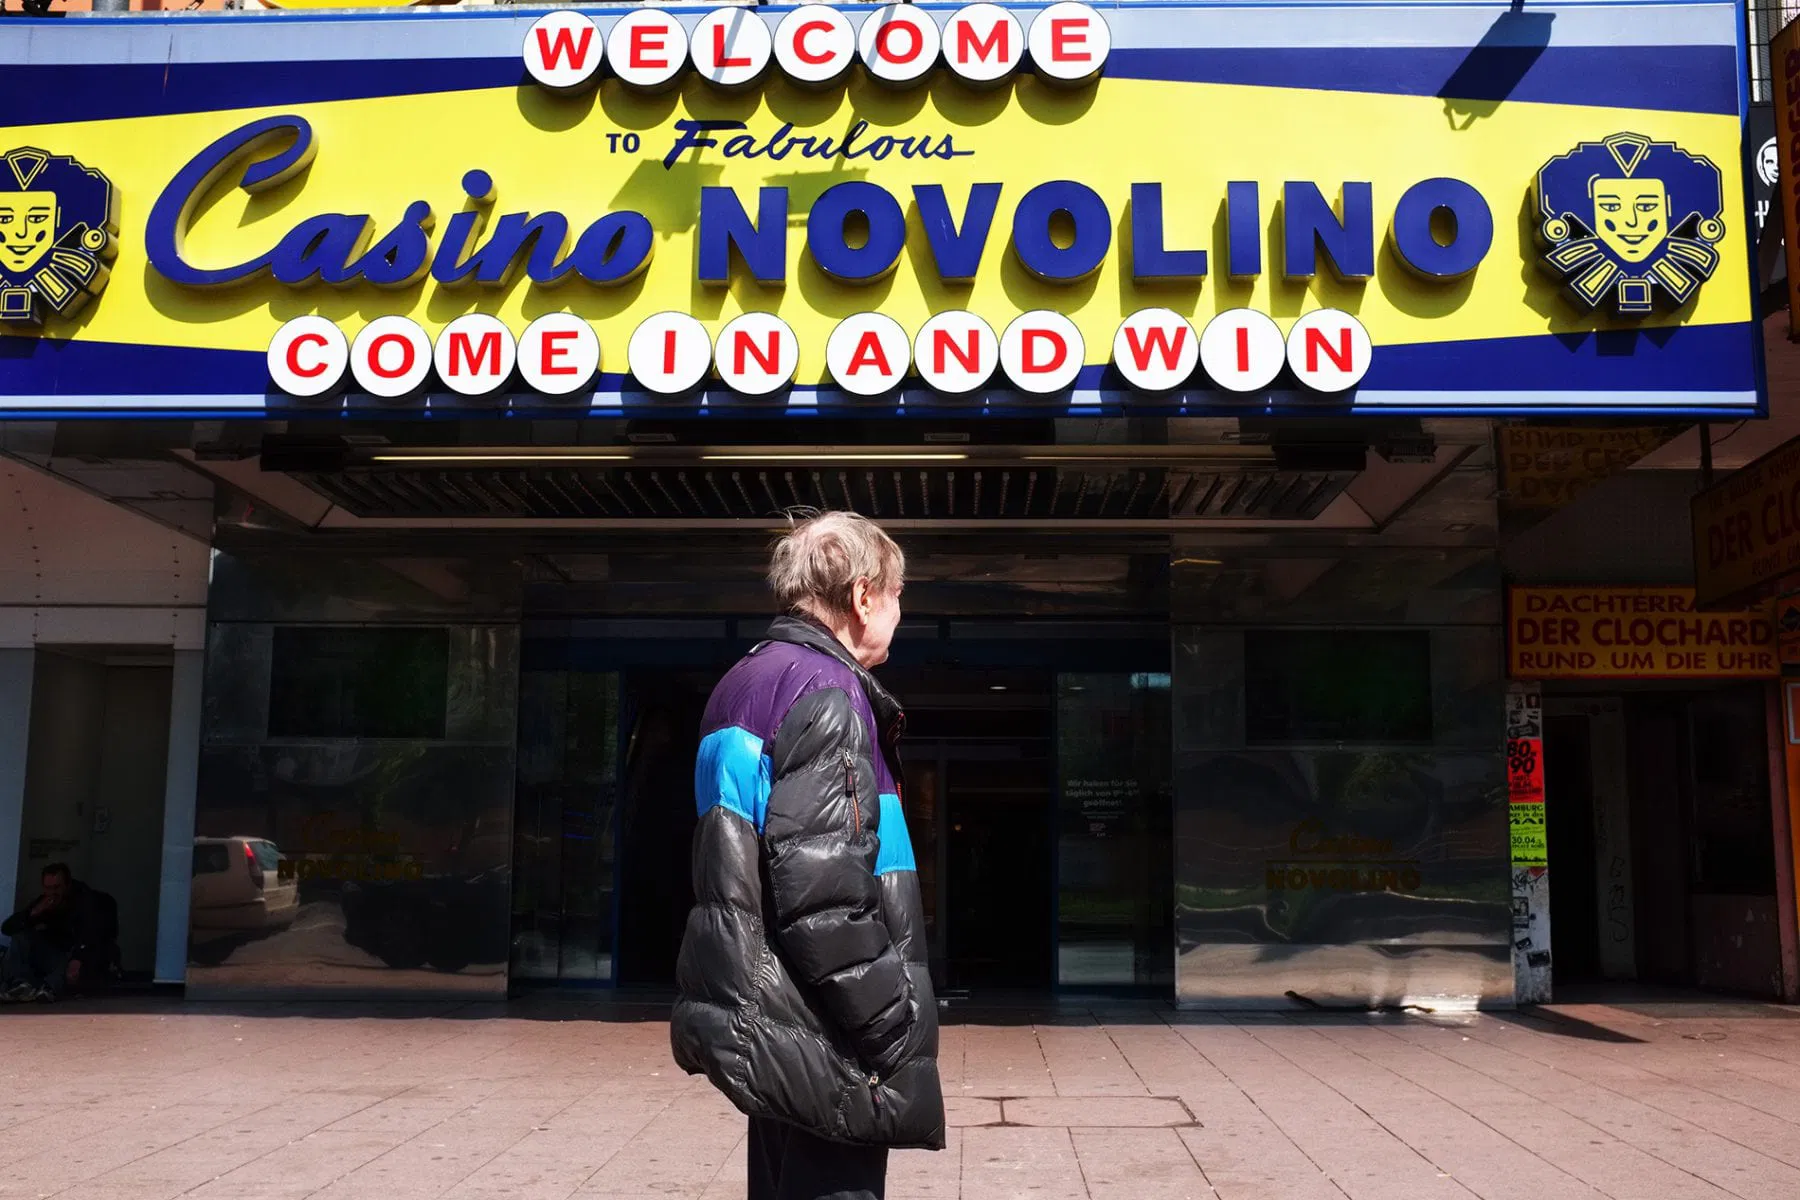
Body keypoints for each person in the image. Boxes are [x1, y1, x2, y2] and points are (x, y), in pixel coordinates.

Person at [673, 511, 943, 1200]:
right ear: (862, 596)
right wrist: (893, 1026)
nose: (900, 613)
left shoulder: (746, 679)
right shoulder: (829, 691)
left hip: (775, 1018)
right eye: (898, 594)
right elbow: (824, 900)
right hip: (825, 1032)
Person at [1, 863, 115, 1002]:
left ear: (67, 885)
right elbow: (7, 928)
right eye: (48, 888)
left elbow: (93, 935)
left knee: (69, 959)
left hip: (76, 957)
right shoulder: (44, 902)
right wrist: (32, 914)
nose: (52, 893)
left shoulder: (86, 901)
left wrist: (79, 957)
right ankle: (20, 985)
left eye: (56, 888)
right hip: (52, 956)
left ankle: (49, 989)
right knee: (20, 937)